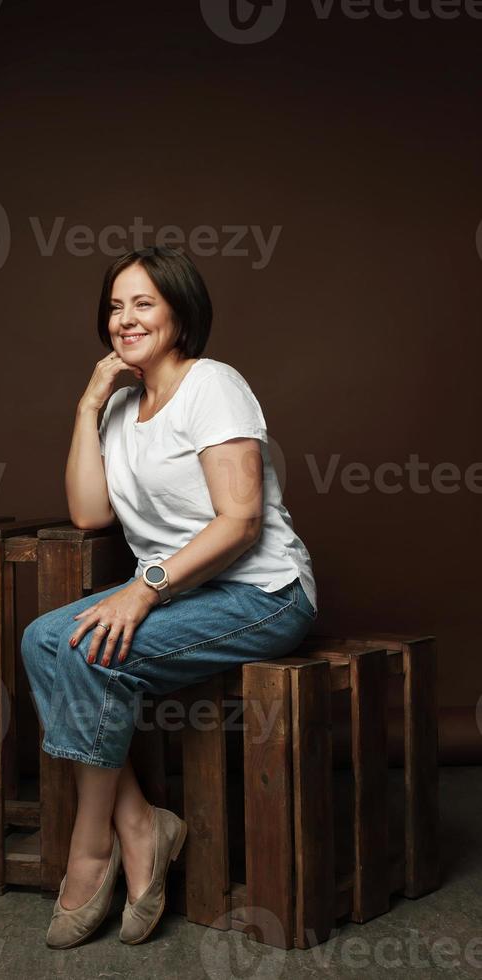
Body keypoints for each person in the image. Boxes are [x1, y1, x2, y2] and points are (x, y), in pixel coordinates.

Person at [21, 245, 318, 948]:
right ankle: (138, 824)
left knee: (92, 655)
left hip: (261, 592)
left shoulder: (213, 384)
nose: (125, 319)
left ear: (180, 314)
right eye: (116, 306)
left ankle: (90, 853)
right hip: (182, 594)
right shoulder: (122, 406)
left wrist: (144, 589)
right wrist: (90, 402)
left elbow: (240, 522)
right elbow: (90, 513)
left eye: (143, 303)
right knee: (42, 639)